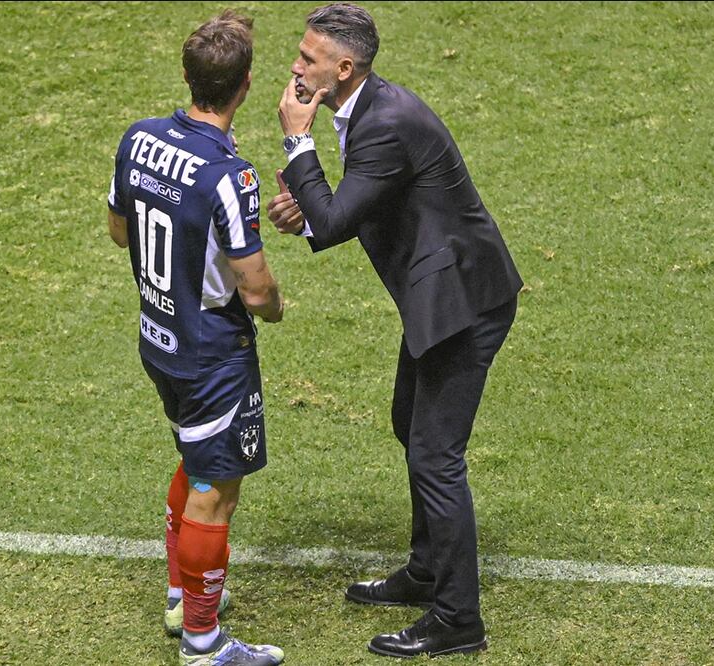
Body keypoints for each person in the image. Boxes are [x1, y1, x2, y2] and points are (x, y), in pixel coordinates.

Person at [268, 3, 523, 659]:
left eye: (307, 59)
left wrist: (299, 145)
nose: (295, 68)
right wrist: (310, 201)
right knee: (410, 424)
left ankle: (457, 619)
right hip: (443, 293)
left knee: (435, 455)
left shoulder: (382, 122)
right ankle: (425, 569)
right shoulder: (370, 109)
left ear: (343, 69)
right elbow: (350, 206)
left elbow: (333, 223)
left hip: (461, 304)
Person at [107, 10, 286, 666]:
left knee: (194, 459)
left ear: (188, 78)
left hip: (159, 339)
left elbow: (120, 230)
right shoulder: (228, 174)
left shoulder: (137, 140)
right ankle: (205, 646)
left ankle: (184, 595)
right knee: (216, 489)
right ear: (244, 87)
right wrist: (274, 309)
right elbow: (257, 289)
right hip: (213, 353)